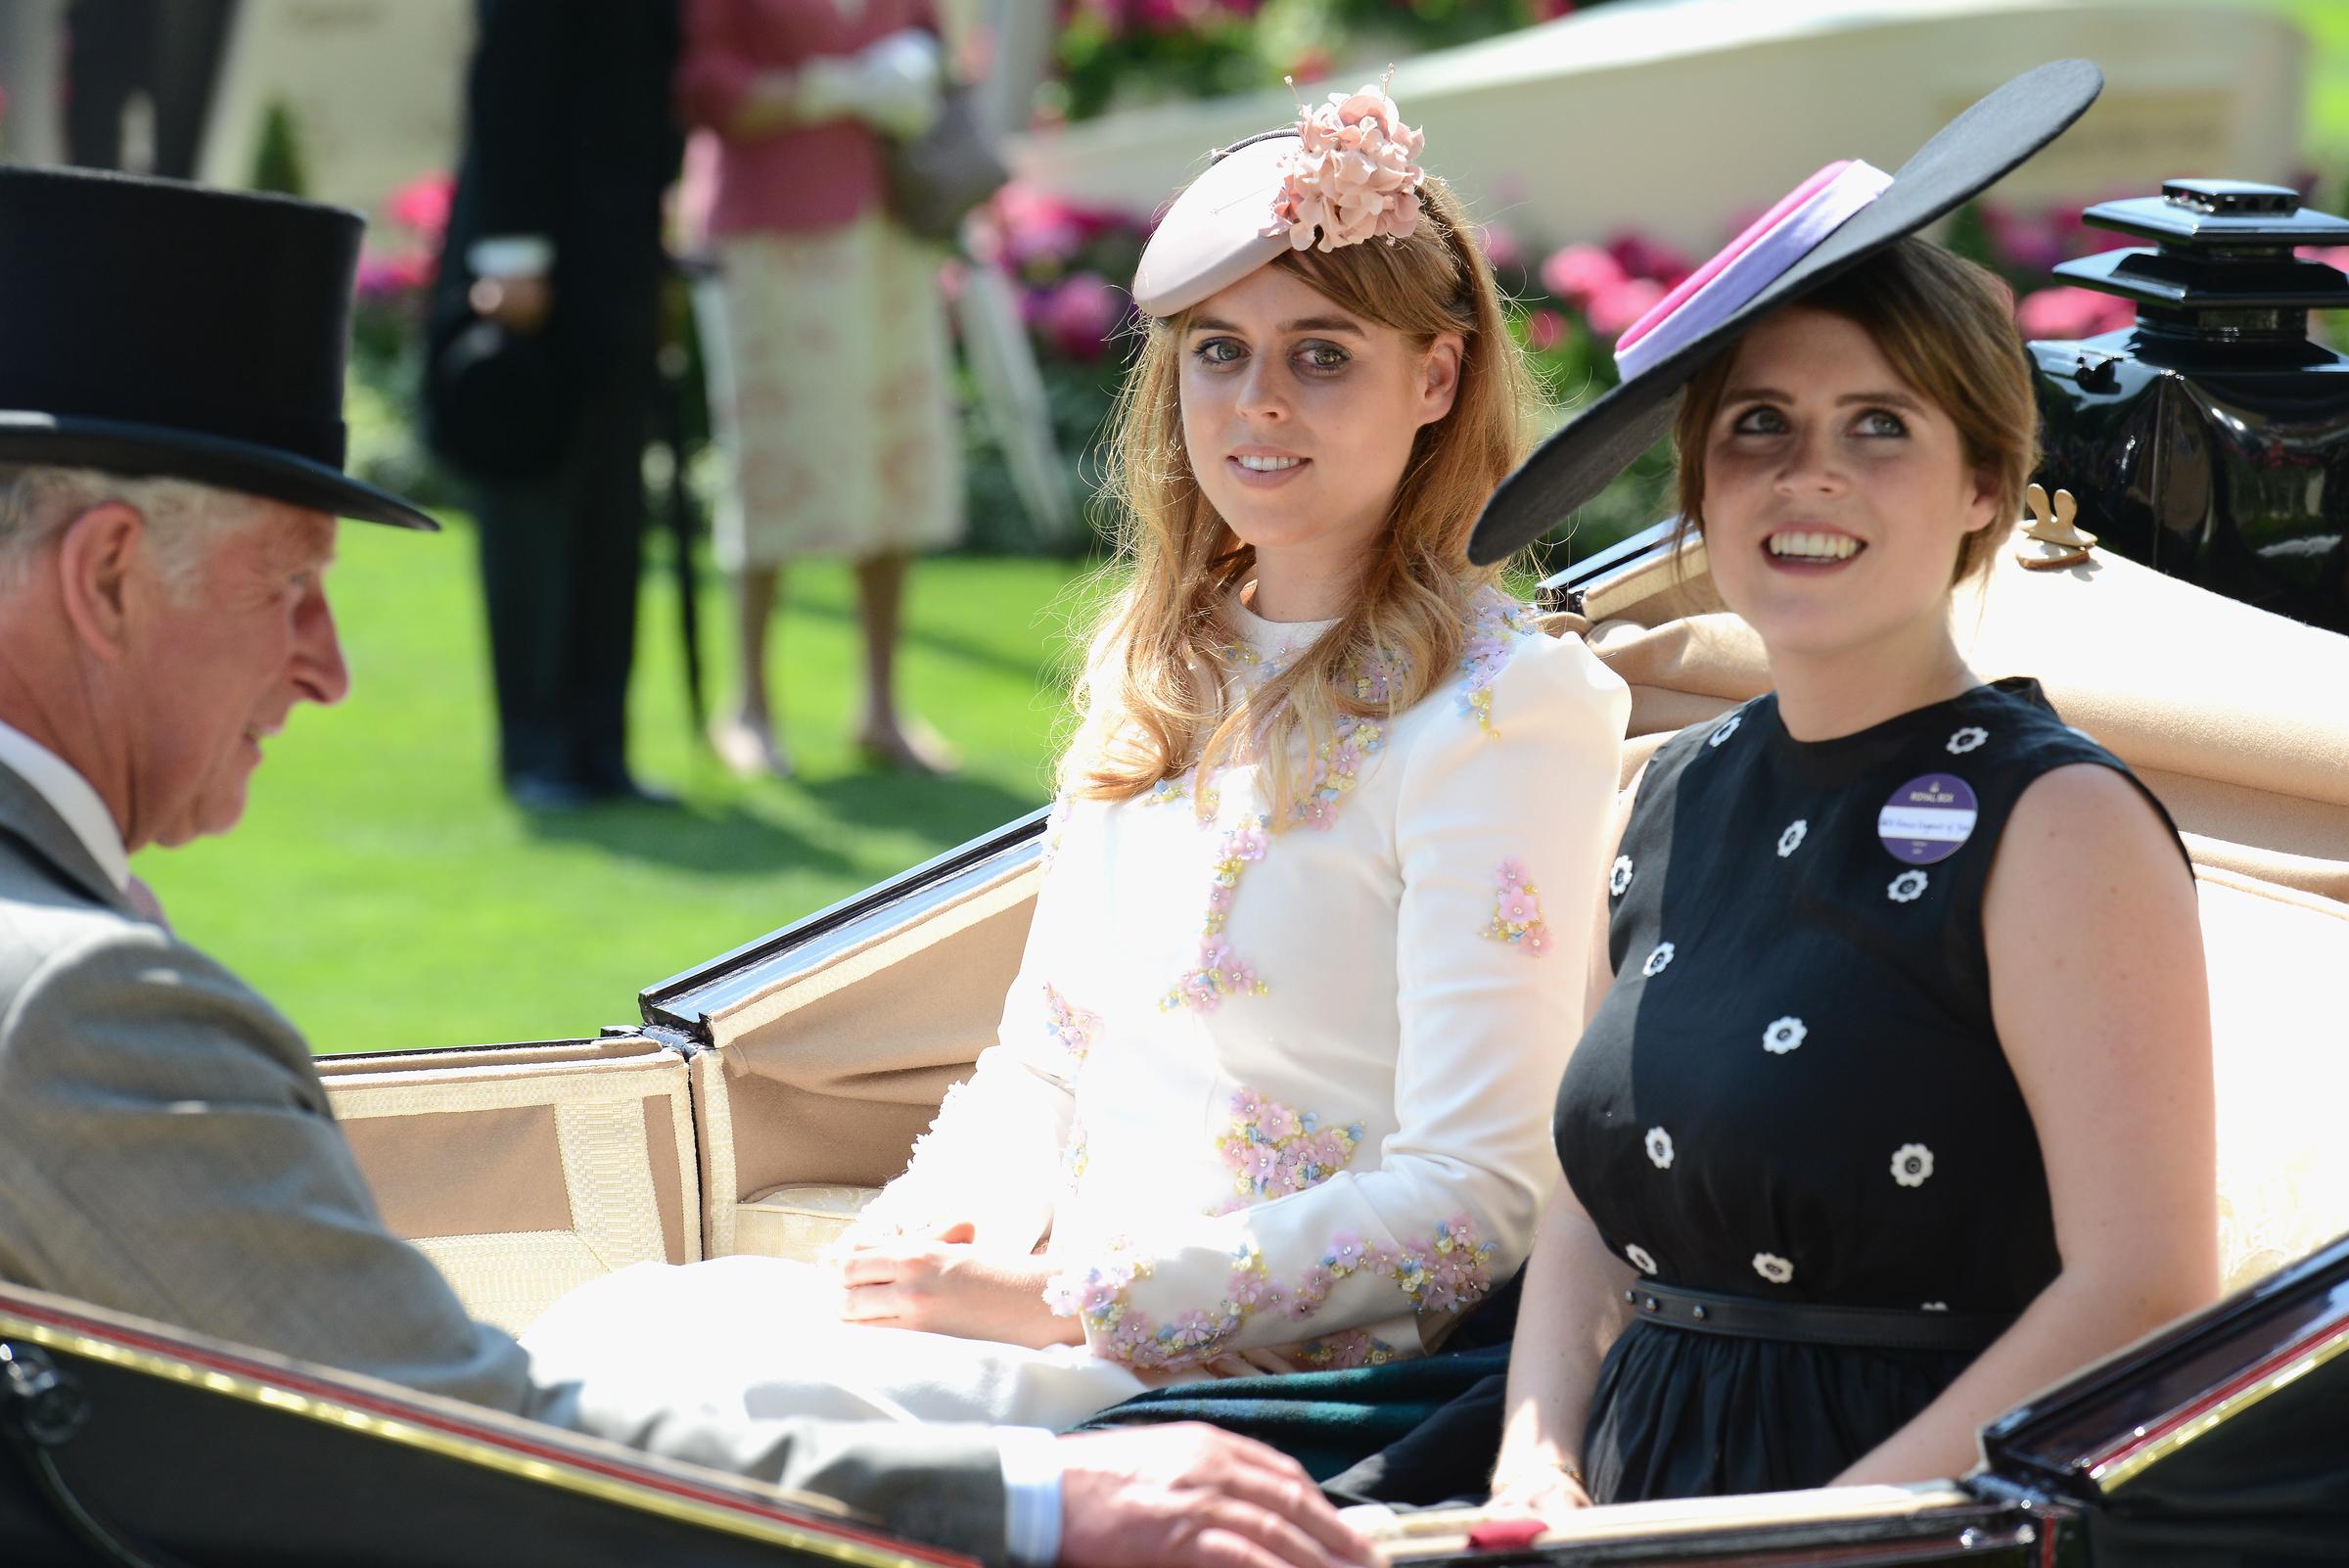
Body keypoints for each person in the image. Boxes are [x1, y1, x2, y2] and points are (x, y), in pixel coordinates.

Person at [0, 164, 1379, 1568]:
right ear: (107, 576)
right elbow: (465, 1449)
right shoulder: (71, 997)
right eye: (287, 586)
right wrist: (1037, 1502)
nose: (329, 667)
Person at [523, 81, 1631, 1432]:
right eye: (1219, 350)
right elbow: (1046, 1058)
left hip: (1270, 1366)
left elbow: (1474, 1198)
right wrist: (912, 1255)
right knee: (600, 1336)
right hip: (1044, 1296)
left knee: (721, 1402)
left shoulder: (1508, 707)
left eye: (1322, 354)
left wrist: (1073, 1297)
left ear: (1439, 376)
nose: (1258, 403)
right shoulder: (1155, 664)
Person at [1456, 61, 2218, 1511]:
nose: (1811, 475)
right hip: (1626, 1496)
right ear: (1698, 482)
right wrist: (1535, 1458)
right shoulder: (1669, 789)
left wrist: (1821, 1533)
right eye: (1759, 427)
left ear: (1985, 484)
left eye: (1881, 426)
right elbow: (1596, 1199)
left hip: (1907, 1513)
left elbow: (2145, 1284)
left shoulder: (2057, 823)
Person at [676, 0, 965, 778]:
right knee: (773, 460)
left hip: (891, 229)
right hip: (772, 236)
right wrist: (833, 88)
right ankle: (750, 705)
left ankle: (880, 705)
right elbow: (705, 85)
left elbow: (936, 47)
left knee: (893, 453)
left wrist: (915, 70)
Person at [427, 0, 680, 810]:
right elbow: (508, 81)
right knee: (534, 504)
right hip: (535, 265)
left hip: (616, 256)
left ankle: (599, 747)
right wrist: (512, 253)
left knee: (610, 509)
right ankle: (537, 749)